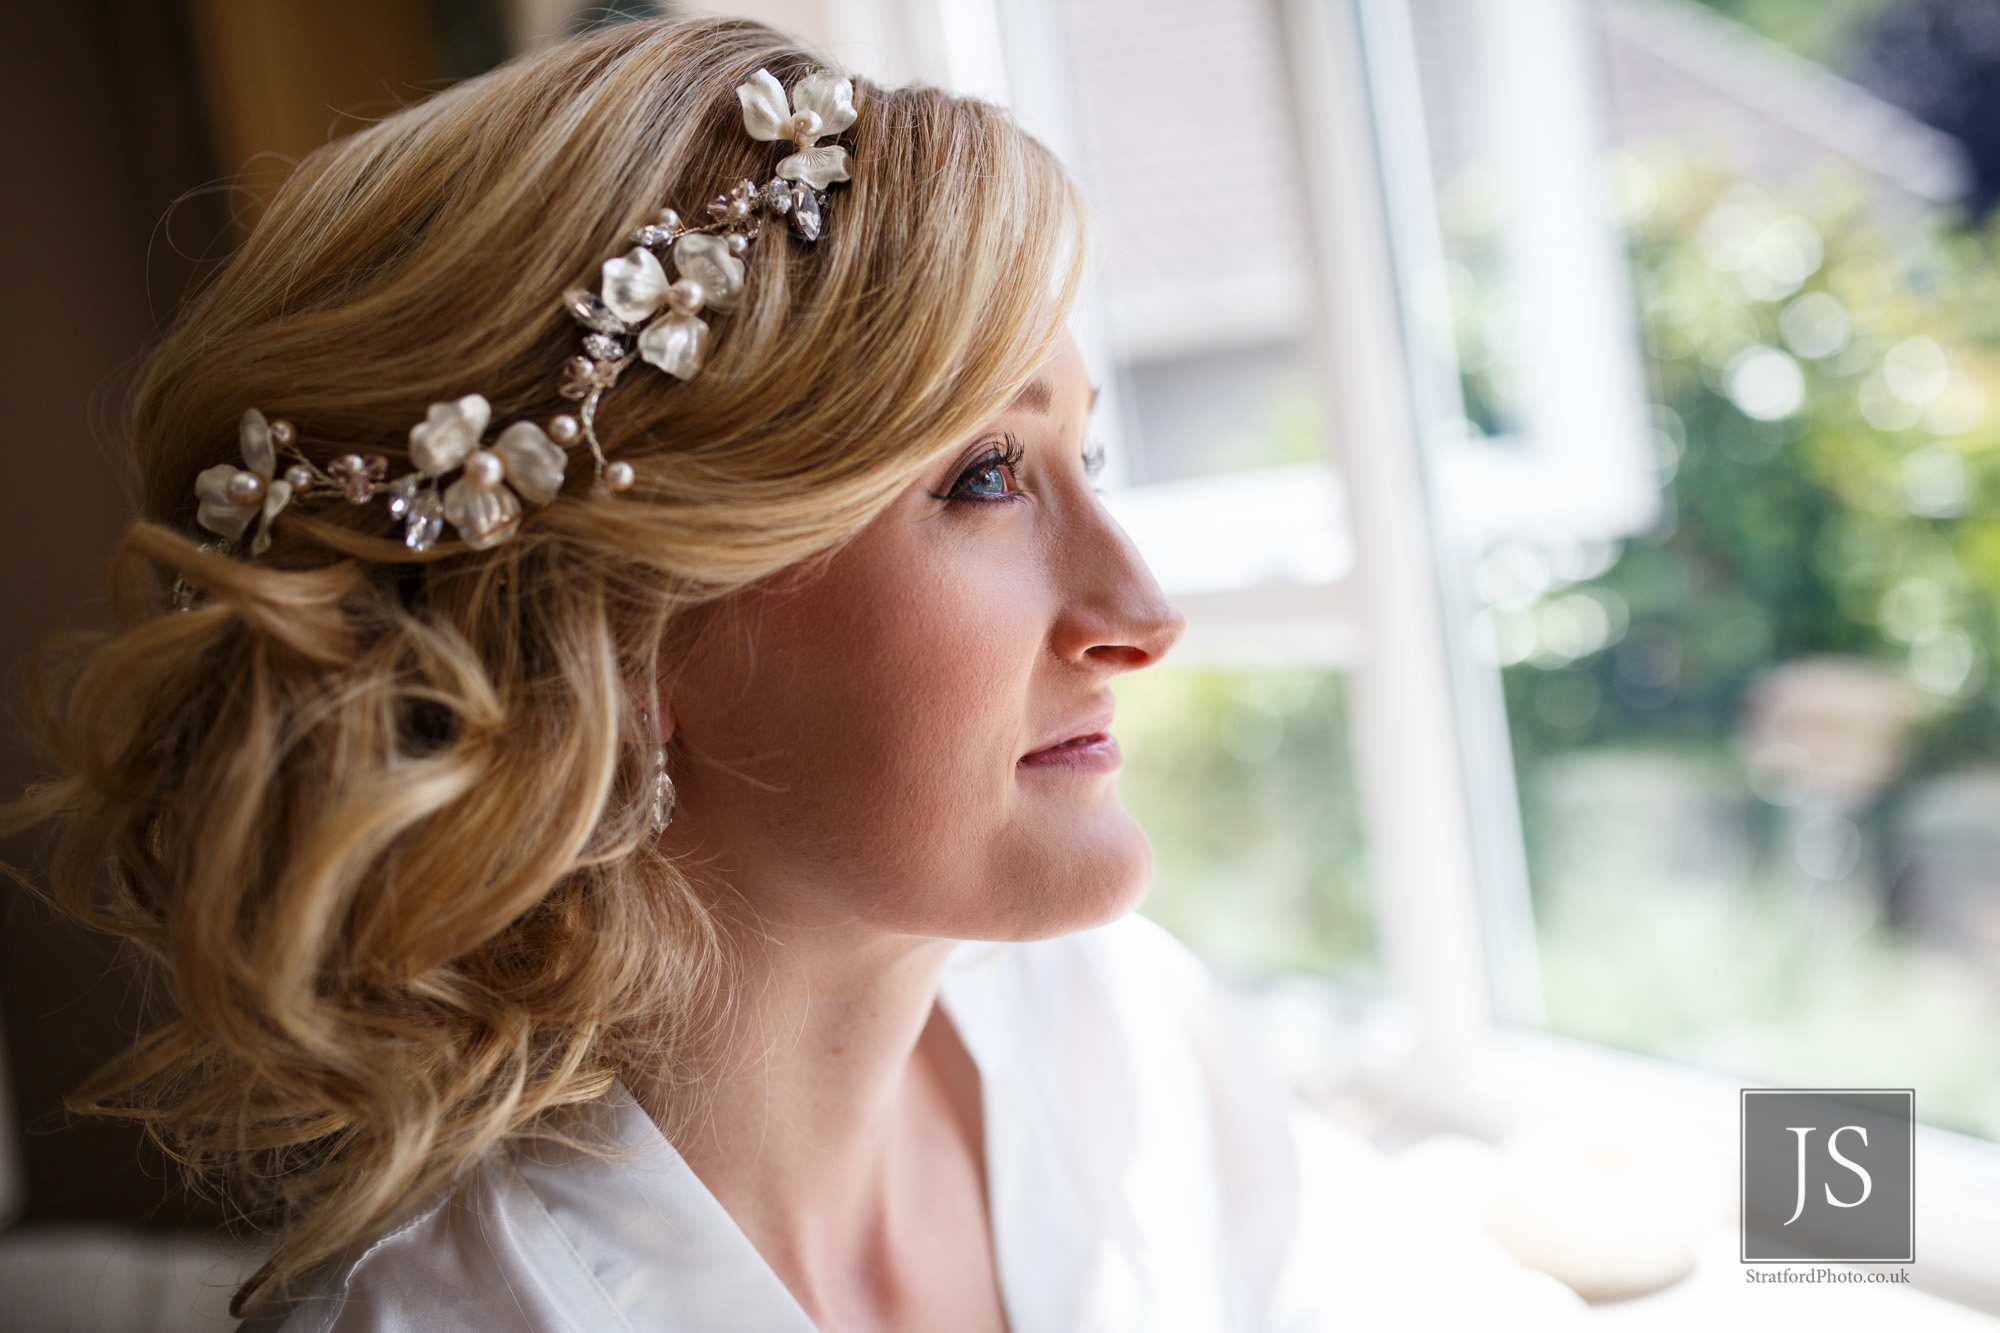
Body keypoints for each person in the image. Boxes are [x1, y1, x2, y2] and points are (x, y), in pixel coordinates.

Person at [5, 16, 1585, 1332]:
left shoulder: (1114, 1035)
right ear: (624, 634)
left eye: (1086, 449)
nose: (1142, 610)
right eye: (983, 475)